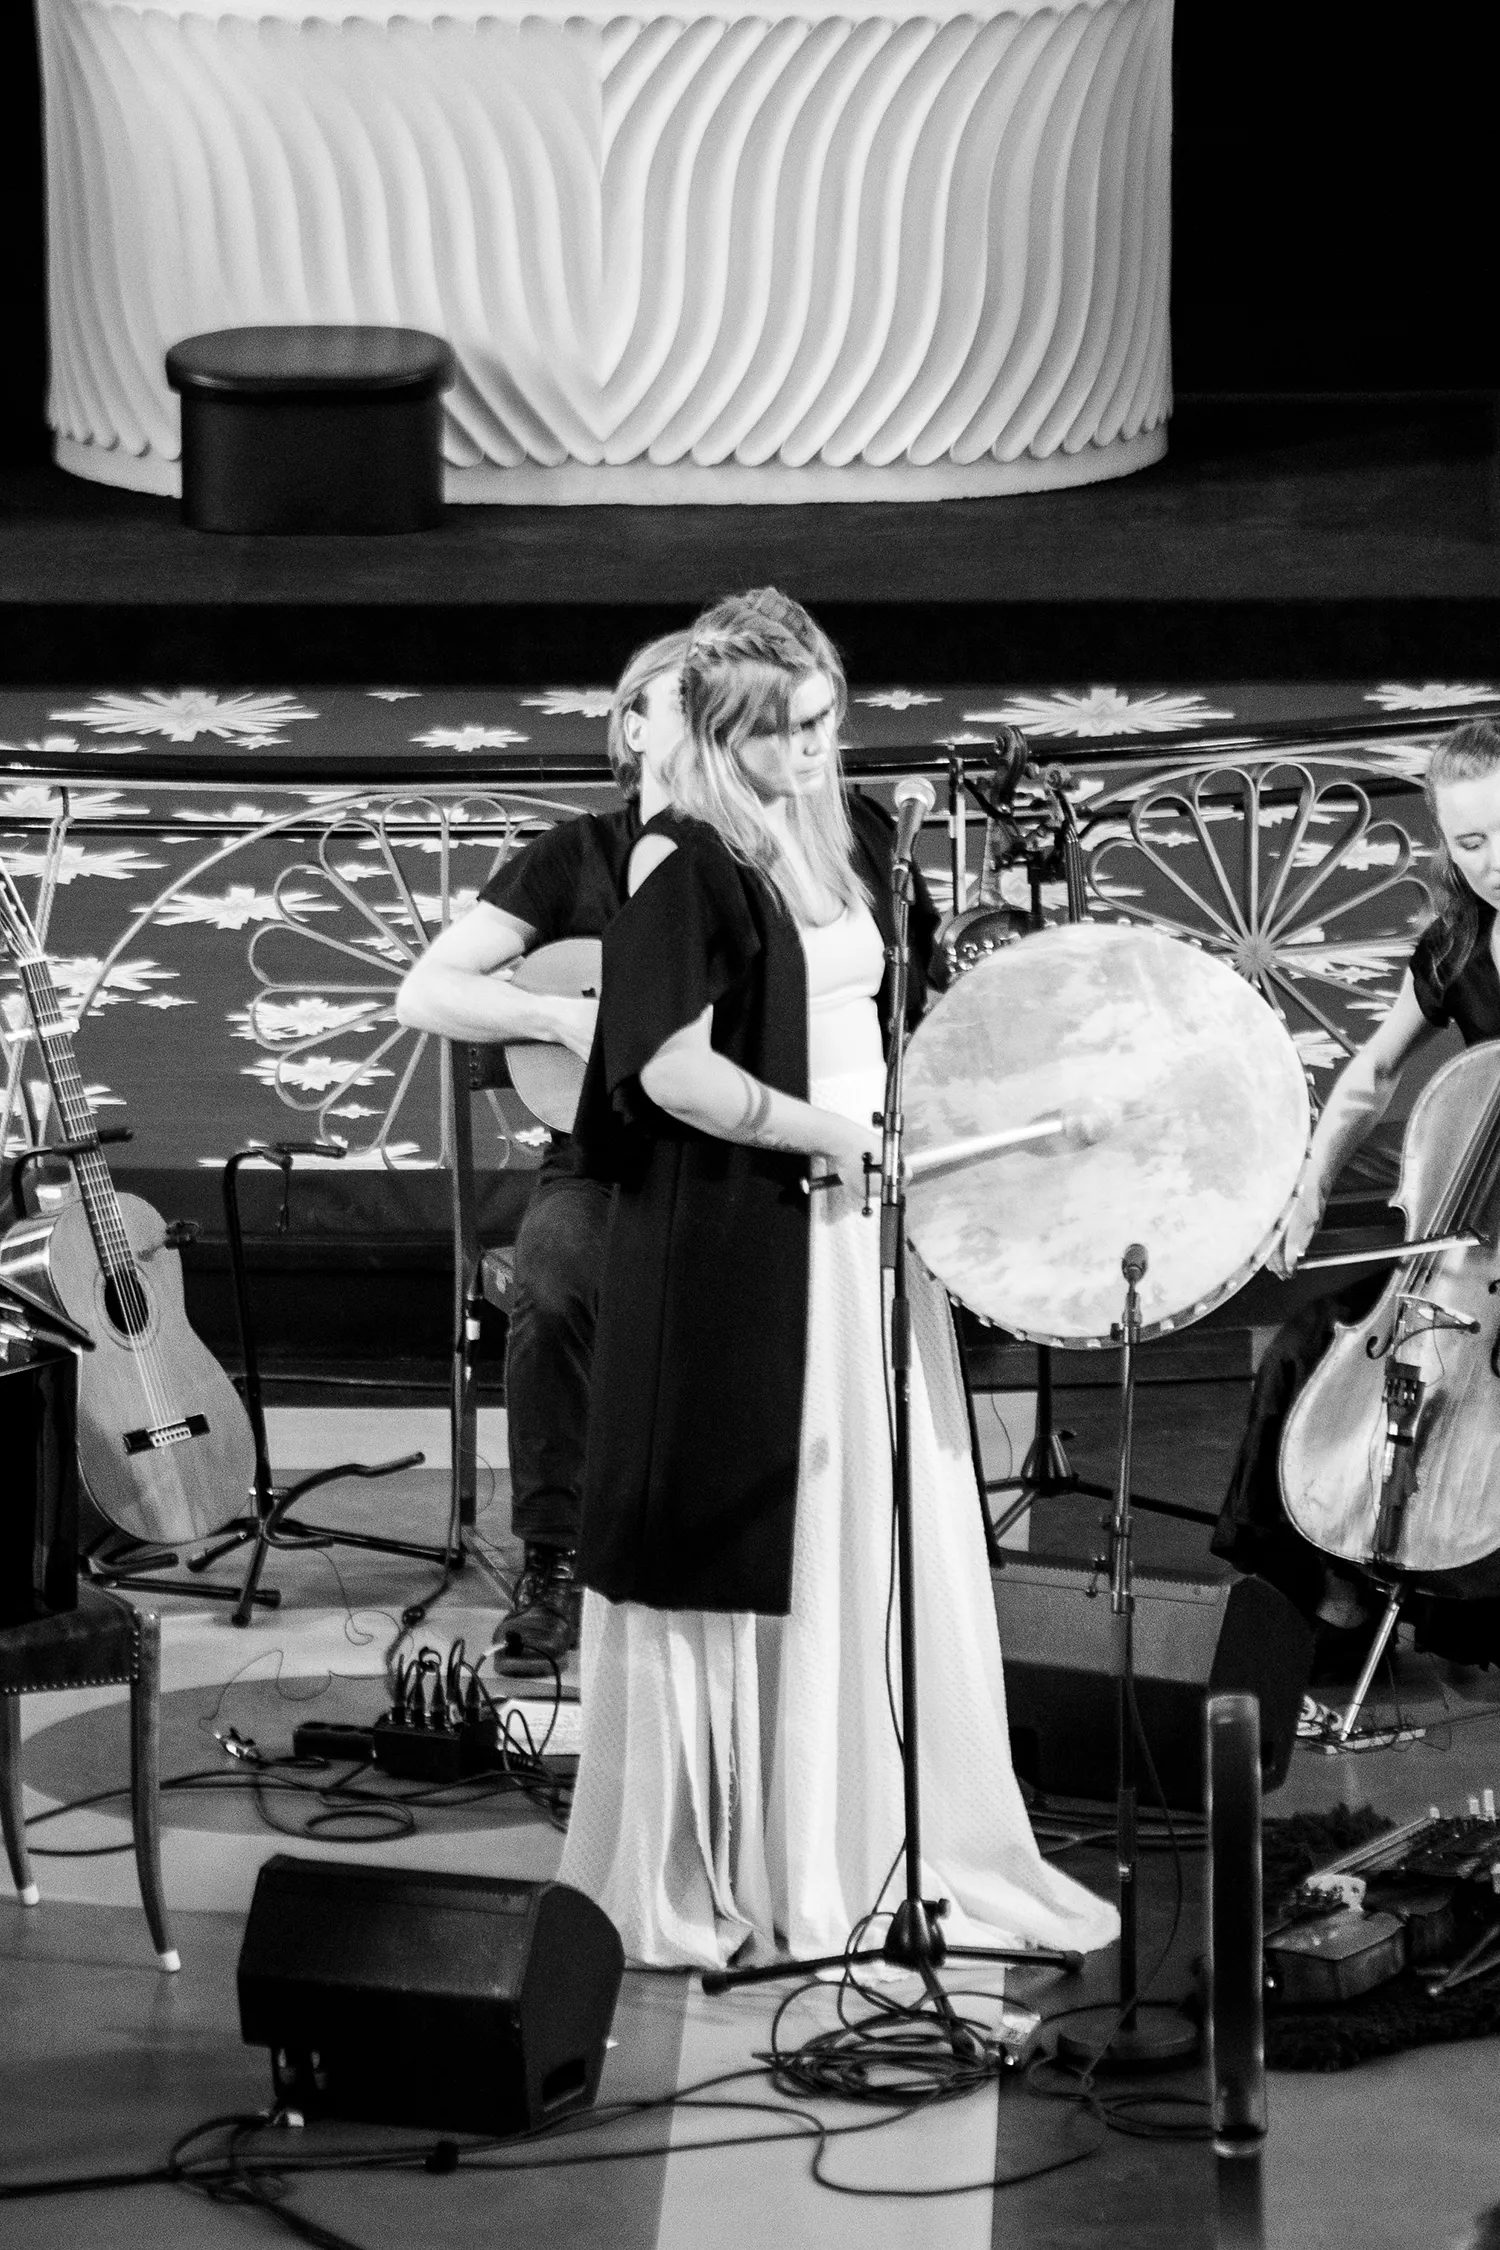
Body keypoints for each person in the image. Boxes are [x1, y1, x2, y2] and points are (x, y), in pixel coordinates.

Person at [558, 604, 1119, 1969]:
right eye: (787, 732)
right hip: (746, 1241)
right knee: (773, 1518)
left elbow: (886, 1013)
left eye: (827, 722)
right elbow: (668, 1069)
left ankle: (883, 1825)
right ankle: (769, 1858)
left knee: (877, 1512)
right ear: (720, 733)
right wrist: (834, 1136)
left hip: (862, 1217)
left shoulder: (850, 830)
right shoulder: (681, 861)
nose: (817, 751)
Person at [394, 631, 688, 1668]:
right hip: (603, 1158)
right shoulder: (575, 858)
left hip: (745, 1159)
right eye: (683, 703)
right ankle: (555, 1561)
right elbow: (425, 990)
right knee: (553, 1284)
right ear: (632, 728)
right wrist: (560, 1018)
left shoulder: (764, 859)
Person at [1214, 716, 1500, 1666]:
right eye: (1471, 842)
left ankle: (1465, 1608)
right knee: (1303, 1351)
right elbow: (1372, 1076)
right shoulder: (1459, 945)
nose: (1494, 862)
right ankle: (1328, 1603)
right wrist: (1309, 1187)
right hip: (1468, 1254)